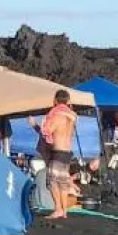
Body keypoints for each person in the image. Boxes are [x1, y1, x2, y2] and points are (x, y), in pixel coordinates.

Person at [40, 90, 79, 219]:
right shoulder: (72, 117)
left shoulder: (56, 115)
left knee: (52, 182)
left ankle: (58, 209)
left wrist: (40, 124)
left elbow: (47, 131)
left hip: (58, 151)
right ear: (68, 101)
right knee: (63, 183)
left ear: (55, 101)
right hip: (67, 152)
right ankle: (64, 211)